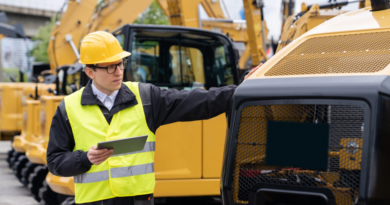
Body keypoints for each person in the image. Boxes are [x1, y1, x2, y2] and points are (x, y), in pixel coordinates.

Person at [47, 31, 258, 205]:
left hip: (139, 201)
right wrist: (85, 159)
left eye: (121, 63)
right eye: (110, 66)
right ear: (90, 72)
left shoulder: (146, 97)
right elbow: (55, 162)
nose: (118, 71)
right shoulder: (69, 108)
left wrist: (239, 90)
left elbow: (196, 102)